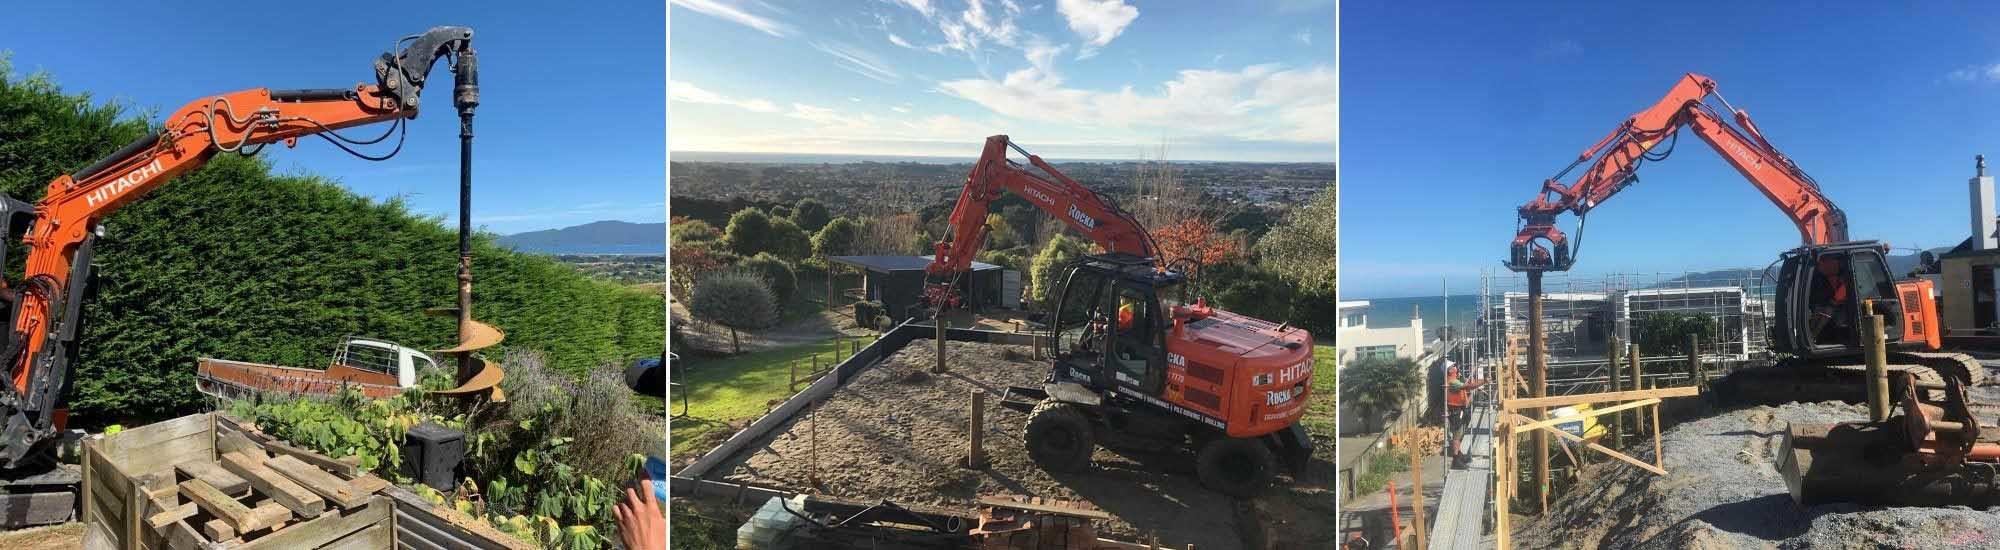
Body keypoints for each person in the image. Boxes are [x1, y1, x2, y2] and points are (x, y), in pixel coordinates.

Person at [1808, 254, 1852, 345]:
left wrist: (1833, 302)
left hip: (1843, 306)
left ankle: (1813, 335)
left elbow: (1841, 295)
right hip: (1832, 303)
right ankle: (1811, 334)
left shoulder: (1846, 279)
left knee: (1826, 313)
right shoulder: (1826, 278)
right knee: (1819, 311)